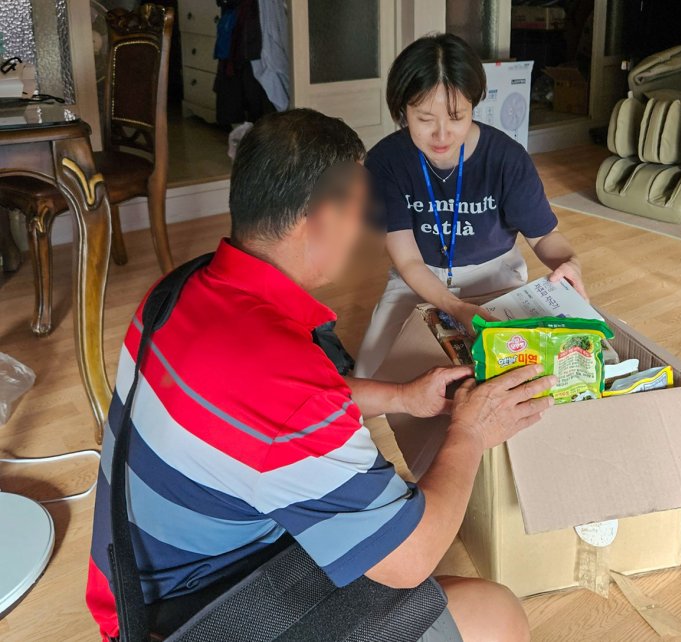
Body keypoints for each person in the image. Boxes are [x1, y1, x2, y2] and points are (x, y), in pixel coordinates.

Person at [86, 109, 555, 642]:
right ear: (322, 219)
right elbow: (411, 558)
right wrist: (471, 431)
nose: (363, 231)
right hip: (199, 618)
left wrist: (402, 396)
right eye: (359, 212)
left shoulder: (179, 289)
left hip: (136, 584)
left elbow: (263, 417)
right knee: (495, 615)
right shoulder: (285, 384)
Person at [355, 33, 586, 378]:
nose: (442, 135)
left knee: (516, 373)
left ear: (473, 105)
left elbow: (544, 236)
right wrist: (455, 306)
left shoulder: (506, 158)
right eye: (424, 119)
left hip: (496, 278)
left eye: (456, 116)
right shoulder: (387, 162)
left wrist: (570, 262)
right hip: (417, 280)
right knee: (369, 376)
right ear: (403, 110)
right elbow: (408, 261)